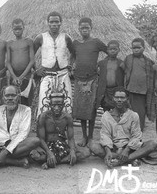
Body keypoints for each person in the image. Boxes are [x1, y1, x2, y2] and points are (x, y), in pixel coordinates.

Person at [89, 87, 157, 168]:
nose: (119, 100)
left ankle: (119, 161)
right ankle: (131, 158)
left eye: (122, 98)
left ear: (127, 99)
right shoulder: (106, 116)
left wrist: (126, 150)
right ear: (113, 99)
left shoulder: (133, 115)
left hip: (130, 148)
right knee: (92, 145)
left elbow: (136, 136)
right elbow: (105, 135)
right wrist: (108, 151)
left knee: (153, 144)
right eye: (117, 97)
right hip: (113, 147)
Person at [30, 91, 90, 169]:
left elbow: (71, 138)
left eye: (59, 105)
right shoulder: (43, 117)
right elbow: (40, 139)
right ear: (49, 105)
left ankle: (53, 161)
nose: (57, 108)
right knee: (34, 155)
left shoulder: (67, 117)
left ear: (64, 105)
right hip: (46, 146)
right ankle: (58, 159)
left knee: (86, 153)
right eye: (54, 105)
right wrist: (49, 153)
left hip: (62, 147)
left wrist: (72, 150)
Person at [71, 17, 107, 147]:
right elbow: (73, 56)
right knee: (81, 110)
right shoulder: (75, 43)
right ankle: (84, 136)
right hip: (79, 79)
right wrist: (72, 67)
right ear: (79, 29)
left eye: (87, 28)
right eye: (82, 28)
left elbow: (109, 51)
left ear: (91, 28)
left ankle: (91, 137)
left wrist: (100, 65)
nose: (84, 30)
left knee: (91, 109)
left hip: (92, 79)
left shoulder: (96, 42)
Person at [33, 11, 73, 119]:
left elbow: (74, 52)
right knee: (44, 101)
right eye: (51, 22)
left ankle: (64, 127)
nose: (54, 24)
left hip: (63, 74)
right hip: (47, 74)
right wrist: (36, 70)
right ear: (48, 23)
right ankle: (43, 127)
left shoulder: (66, 37)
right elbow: (30, 54)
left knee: (66, 101)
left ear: (60, 23)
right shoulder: (40, 37)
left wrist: (71, 66)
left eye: (56, 22)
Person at [122, 38, 155, 131]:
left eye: (138, 47)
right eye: (134, 48)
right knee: (129, 112)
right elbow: (123, 70)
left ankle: (139, 132)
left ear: (144, 48)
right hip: (130, 90)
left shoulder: (148, 62)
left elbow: (152, 77)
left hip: (142, 92)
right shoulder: (128, 59)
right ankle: (129, 131)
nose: (136, 49)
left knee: (140, 113)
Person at [7, 19, 35, 106]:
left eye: (19, 28)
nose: (17, 31)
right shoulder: (10, 43)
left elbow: (32, 61)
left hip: (26, 76)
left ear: (23, 28)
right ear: (12, 29)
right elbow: (8, 62)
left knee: (26, 102)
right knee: (14, 101)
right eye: (15, 29)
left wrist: (22, 77)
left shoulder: (28, 41)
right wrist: (14, 77)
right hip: (14, 76)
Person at [96, 40, 124, 112]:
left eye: (115, 49)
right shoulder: (101, 63)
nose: (113, 51)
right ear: (107, 50)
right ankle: (106, 122)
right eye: (110, 49)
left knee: (118, 109)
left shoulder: (121, 63)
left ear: (119, 50)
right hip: (105, 90)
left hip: (117, 90)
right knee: (106, 108)